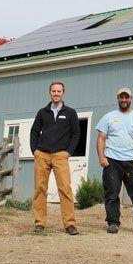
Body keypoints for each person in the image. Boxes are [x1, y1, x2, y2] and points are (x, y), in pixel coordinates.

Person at [95, 87, 133, 235]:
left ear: (131, 99)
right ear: (118, 99)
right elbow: (101, 138)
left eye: (126, 97)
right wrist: (102, 157)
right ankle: (113, 223)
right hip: (112, 162)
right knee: (111, 194)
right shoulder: (108, 117)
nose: (124, 100)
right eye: (121, 97)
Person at [30, 80, 80, 235]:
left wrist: (68, 152)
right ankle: (40, 223)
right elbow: (34, 132)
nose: (56, 93)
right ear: (50, 93)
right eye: (53, 91)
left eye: (59, 91)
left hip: (60, 155)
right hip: (42, 155)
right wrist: (35, 151)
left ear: (63, 93)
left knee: (65, 188)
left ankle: (70, 224)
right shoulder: (42, 112)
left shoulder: (70, 113)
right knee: (40, 189)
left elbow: (76, 134)